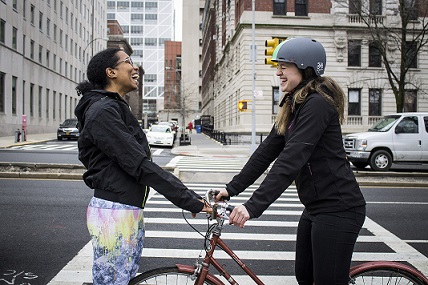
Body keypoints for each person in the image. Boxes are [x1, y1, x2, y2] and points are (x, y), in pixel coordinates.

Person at [215, 38, 366, 284]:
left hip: (339, 209)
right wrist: (231, 189)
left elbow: (291, 159)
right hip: (316, 208)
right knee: (304, 276)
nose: (278, 72)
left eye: (284, 66)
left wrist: (252, 207)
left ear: (304, 68)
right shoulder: (295, 105)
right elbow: (266, 152)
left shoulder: (318, 104)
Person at [75, 48, 209, 285]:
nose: (135, 67)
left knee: (122, 279)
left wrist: (190, 197)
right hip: (115, 213)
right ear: (111, 72)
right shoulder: (103, 111)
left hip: (123, 209)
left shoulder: (112, 107)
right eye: (128, 62)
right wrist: (188, 199)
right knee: (114, 281)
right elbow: (139, 164)